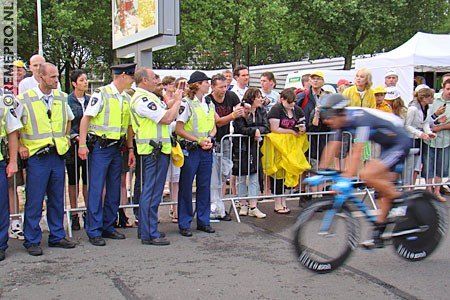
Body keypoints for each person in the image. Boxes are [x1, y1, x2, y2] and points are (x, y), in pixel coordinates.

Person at [318, 93, 412, 248]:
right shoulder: (340, 122)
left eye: (329, 116)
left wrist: (346, 179)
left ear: (341, 112)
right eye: (324, 116)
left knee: (367, 174)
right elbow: (332, 147)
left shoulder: (360, 119)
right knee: (383, 190)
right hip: (387, 145)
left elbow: (357, 151)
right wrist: (321, 173)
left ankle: (401, 200)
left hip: (399, 142)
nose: (327, 121)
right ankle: (380, 234)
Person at [17, 63, 77, 256]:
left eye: (57, 77)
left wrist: (65, 139)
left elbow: (69, 119)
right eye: (52, 77)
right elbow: (14, 125)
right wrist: (20, 146)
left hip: (57, 153)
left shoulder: (60, 97)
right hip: (37, 156)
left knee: (57, 198)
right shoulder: (24, 99)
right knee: (34, 199)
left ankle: (57, 235)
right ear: (41, 77)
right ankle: (32, 239)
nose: (56, 80)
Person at [78, 63, 136, 246]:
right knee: (96, 189)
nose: (132, 81)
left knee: (113, 189)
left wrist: (130, 149)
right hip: (101, 148)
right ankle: (94, 230)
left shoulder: (125, 98)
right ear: (123, 76)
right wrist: (82, 144)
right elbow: (85, 119)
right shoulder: (101, 94)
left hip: (117, 148)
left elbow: (128, 127)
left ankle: (108, 226)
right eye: (131, 77)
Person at [130, 67, 182, 245]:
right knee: (151, 193)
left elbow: (165, 109)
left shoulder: (150, 97)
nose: (157, 81)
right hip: (153, 152)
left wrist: (176, 98)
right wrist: (178, 102)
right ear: (144, 80)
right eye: (154, 78)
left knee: (153, 192)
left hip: (158, 150)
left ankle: (147, 228)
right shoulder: (142, 99)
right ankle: (149, 233)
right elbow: (166, 118)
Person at [176, 71, 217, 237]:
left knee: (204, 186)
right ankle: (184, 222)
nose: (209, 84)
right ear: (198, 84)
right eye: (206, 82)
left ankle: (203, 221)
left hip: (205, 149)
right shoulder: (186, 104)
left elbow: (213, 126)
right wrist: (198, 140)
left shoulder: (208, 103)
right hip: (191, 150)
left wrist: (209, 138)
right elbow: (179, 129)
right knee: (186, 187)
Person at [207, 73, 246, 220]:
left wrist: (244, 110)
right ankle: (213, 206)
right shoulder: (208, 100)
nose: (224, 90)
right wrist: (234, 115)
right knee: (212, 176)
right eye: (220, 87)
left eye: (226, 86)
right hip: (212, 139)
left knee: (224, 173)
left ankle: (220, 205)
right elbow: (218, 121)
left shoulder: (232, 96)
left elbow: (240, 111)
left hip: (225, 139)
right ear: (212, 87)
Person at [268, 88, 307, 214]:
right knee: (278, 174)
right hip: (278, 146)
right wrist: (291, 131)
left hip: (292, 147)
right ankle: (277, 203)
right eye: (289, 102)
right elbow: (274, 128)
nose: (292, 105)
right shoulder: (276, 109)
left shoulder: (297, 110)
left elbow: (303, 124)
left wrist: (301, 128)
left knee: (289, 173)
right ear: (282, 99)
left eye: (294, 102)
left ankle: (284, 201)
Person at [233, 88, 269, 218]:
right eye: (258, 97)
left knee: (254, 176)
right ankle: (243, 204)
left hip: (256, 147)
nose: (261, 99)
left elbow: (266, 127)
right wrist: (253, 132)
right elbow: (240, 128)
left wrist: (256, 131)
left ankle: (253, 206)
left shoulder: (261, 111)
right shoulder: (241, 111)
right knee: (241, 176)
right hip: (241, 147)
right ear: (252, 98)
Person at [66, 69, 90, 231]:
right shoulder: (67, 101)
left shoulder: (91, 100)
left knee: (87, 179)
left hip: (89, 145)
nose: (85, 83)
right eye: (82, 80)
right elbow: (66, 122)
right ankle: (74, 213)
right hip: (73, 146)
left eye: (86, 80)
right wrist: (76, 137)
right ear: (74, 83)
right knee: (74, 180)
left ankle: (88, 211)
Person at [0, 83, 21, 261]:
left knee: (1, 205)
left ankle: (0, 245)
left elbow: (12, 131)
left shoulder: (4, 101)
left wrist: (13, 161)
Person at [404, 86, 439, 188]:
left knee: (416, 165)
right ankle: (406, 187)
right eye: (431, 97)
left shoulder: (427, 108)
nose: (433, 99)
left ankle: (411, 186)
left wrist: (428, 133)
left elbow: (425, 123)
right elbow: (407, 125)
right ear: (424, 98)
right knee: (409, 166)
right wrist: (420, 134)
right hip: (410, 138)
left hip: (419, 139)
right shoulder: (413, 108)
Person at [423, 79, 450, 202]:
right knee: (428, 166)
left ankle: (437, 191)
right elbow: (426, 117)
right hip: (429, 139)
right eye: (448, 89)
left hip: (445, 140)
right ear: (443, 88)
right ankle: (429, 192)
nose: (449, 92)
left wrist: (438, 127)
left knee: (441, 168)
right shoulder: (433, 99)